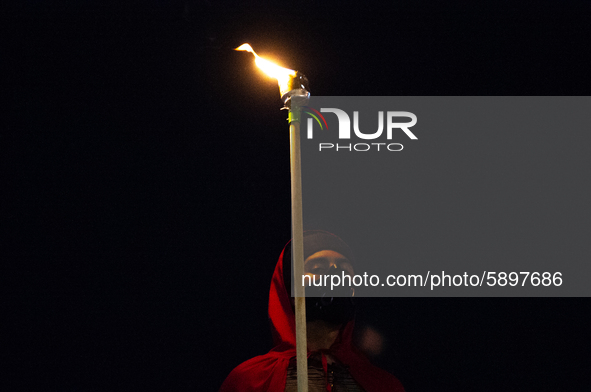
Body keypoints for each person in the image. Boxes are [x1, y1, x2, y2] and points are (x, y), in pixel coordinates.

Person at [219, 230, 405, 392]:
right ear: (290, 290)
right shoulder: (251, 381)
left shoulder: (382, 385)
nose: (334, 276)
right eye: (317, 268)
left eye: (345, 270)